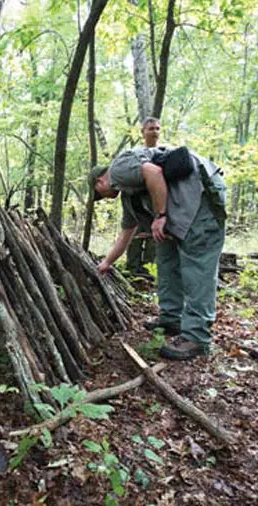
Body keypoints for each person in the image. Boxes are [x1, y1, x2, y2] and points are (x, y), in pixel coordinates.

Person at [88, 117, 226, 361]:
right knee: (166, 259)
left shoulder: (119, 170)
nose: (103, 197)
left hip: (200, 203)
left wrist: (160, 216)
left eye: (99, 193)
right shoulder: (128, 193)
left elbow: (153, 171)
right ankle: (171, 318)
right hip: (182, 211)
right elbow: (126, 233)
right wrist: (107, 263)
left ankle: (197, 337)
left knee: (197, 268)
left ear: (100, 181)